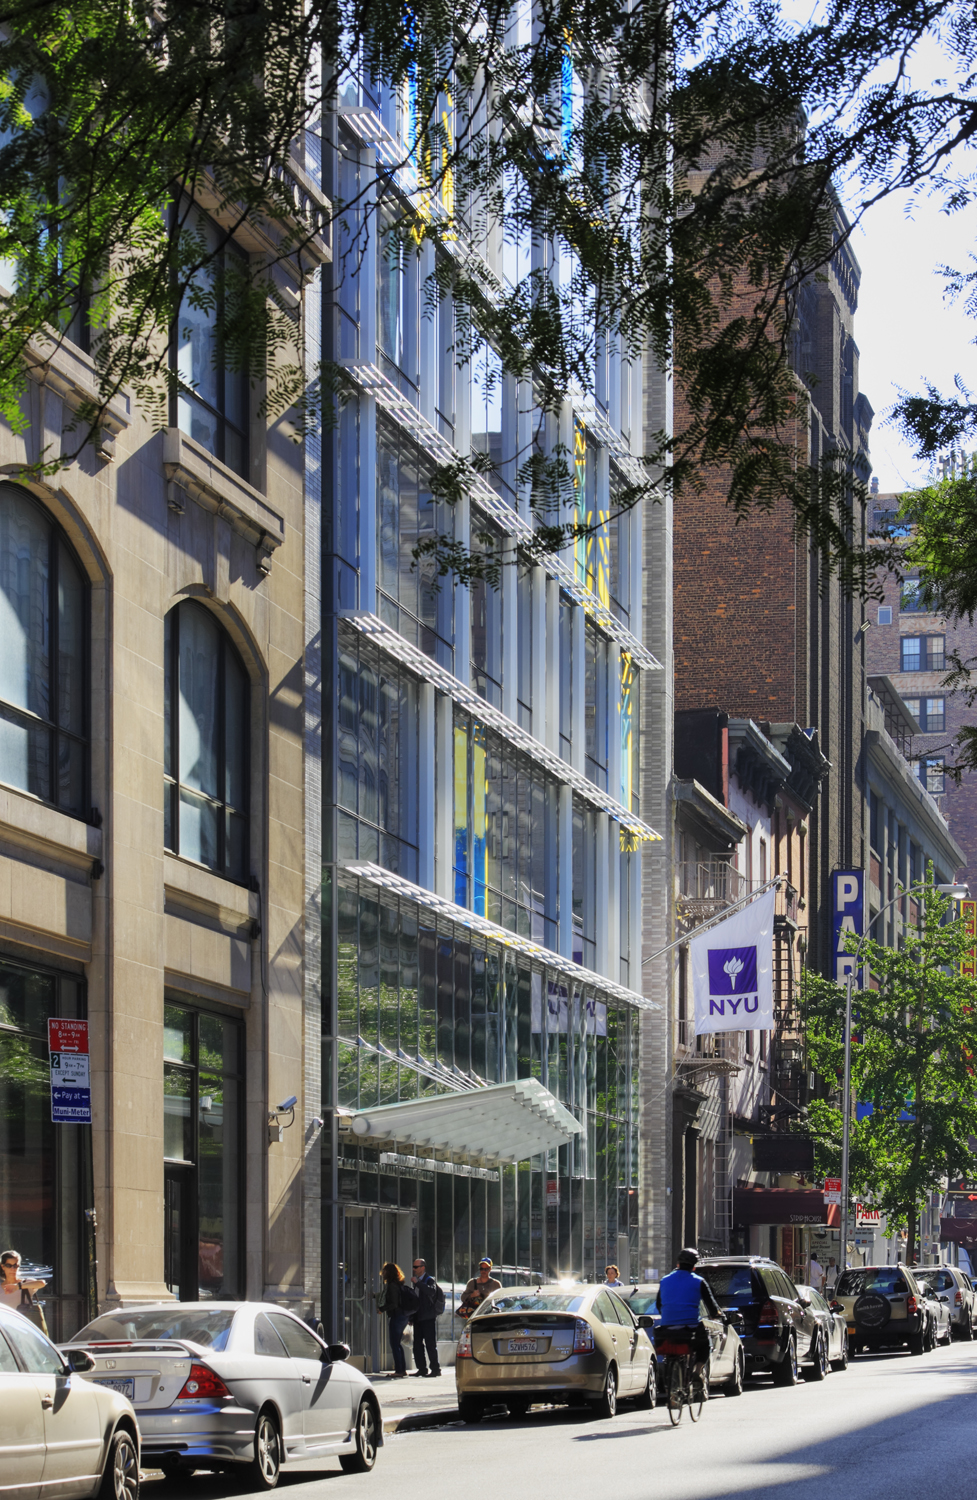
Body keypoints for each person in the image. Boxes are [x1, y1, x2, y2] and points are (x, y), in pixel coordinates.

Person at [655, 1247, 722, 1375]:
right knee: (704, 1345)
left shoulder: (664, 1281)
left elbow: (659, 1304)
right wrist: (717, 1314)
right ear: (694, 1266)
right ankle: (697, 1372)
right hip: (690, 1329)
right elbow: (712, 1306)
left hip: (667, 1329)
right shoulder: (698, 1281)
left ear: (677, 1264)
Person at [375, 1262, 414, 1378]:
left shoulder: (392, 1286)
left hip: (397, 1316)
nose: (382, 1274)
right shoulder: (398, 1284)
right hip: (402, 1316)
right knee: (397, 1343)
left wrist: (381, 1309)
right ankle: (401, 1369)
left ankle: (399, 1370)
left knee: (394, 1343)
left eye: (384, 1271)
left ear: (389, 1273)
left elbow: (394, 1303)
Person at [409, 1258, 444, 1378]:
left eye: (416, 1267)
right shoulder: (418, 1281)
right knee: (417, 1344)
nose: (414, 1269)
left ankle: (435, 1369)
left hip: (428, 1317)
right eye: (413, 1267)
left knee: (430, 1344)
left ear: (422, 1267)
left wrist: (417, 1283)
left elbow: (431, 1292)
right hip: (418, 1317)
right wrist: (411, 1317)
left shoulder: (429, 1280)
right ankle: (422, 1368)